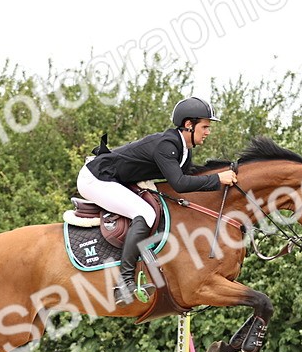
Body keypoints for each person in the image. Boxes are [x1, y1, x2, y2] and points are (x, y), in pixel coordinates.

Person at [77, 96, 238, 305]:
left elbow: (190, 181)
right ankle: (124, 282)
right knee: (145, 213)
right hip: (96, 178)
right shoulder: (167, 145)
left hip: (118, 179)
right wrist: (217, 178)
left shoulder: (184, 151)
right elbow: (180, 184)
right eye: (205, 126)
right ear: (189, 125)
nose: (208, 132)